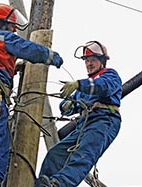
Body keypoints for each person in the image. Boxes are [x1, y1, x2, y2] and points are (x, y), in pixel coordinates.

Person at [0, 3, 64, 187]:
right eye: (13, 27)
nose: (14, 31)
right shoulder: (4, 38)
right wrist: (50, 55)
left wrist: (12, 69)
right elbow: (29, 49)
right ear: (6, 24)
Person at [35, 41, 122, 187]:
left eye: (93, 60)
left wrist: (79, 84)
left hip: (104, 120)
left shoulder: (109, 75)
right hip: (84, 125)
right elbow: (67, 105)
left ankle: (59, 184)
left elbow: (104, 87)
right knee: (56, 154)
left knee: (83, 155)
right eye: (87, 61)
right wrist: (67, 105)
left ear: (102, 61)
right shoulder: (83, 87)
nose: (89, 64)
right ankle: (43, 184)